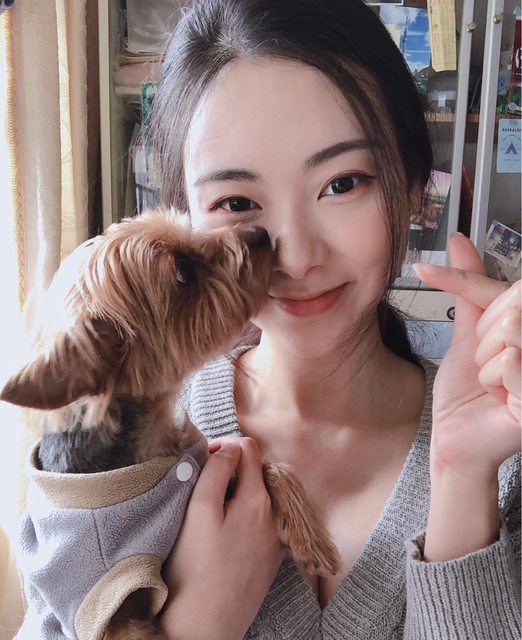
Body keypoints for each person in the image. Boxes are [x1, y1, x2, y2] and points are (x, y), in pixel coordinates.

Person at [149, 0, 521, 638]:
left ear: (412, 188)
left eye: (342, 184)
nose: (296, 257)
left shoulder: (505, 445)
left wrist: (463, 481)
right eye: (236, 202)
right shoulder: (129, 447)